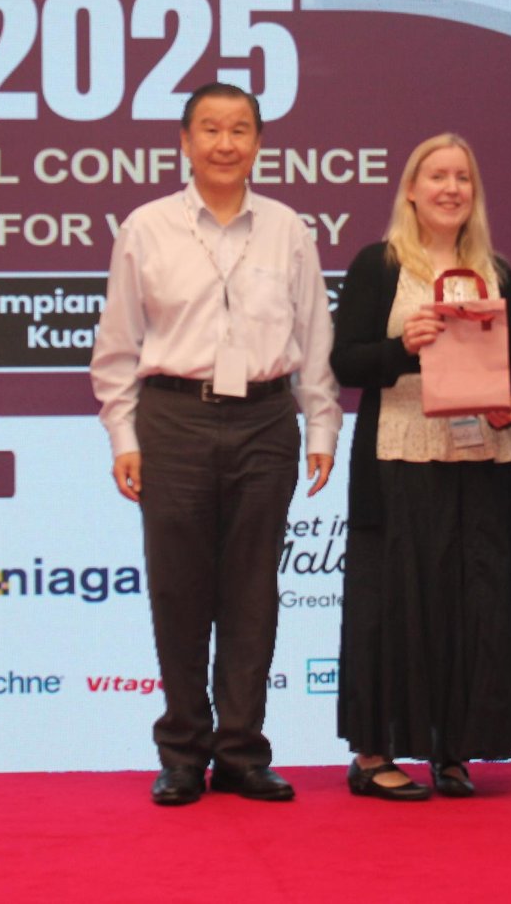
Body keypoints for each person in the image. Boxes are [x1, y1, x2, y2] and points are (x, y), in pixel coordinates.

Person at [90, 83, 342, 806]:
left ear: (258, 143)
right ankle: (181, 752)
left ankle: (241, 751)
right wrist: (123, 435)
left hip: (265, 421)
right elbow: (116, 345)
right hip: (173, 420)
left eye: (239, 130)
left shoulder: (288, 229)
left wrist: (321, 425)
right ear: (185, 141)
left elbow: (314, 337)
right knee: (178, 590)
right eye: (210, 129)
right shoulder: (146, 227)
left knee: (252, 591)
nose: (225, 143)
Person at [330, 133, 511, 801]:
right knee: (395, 606)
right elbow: (345, 361)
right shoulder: (379, 264)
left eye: (462, 177)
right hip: (401, 458)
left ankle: (455, 750)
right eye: (437, 176)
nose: (450, 188)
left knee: (474, 604)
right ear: (411, 190)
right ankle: (373, 755)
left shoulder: (496, 271)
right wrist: (402, 346)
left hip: (483, 462)